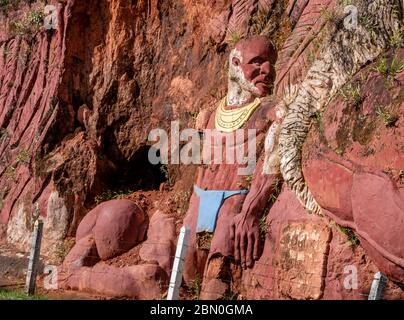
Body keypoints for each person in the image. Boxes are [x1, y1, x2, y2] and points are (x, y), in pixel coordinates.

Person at [183, 35, 280, 299]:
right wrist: (192, 211)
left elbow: (273, 165)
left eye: (271, 63)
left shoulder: (271, 113)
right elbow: (202, 170)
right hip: (200, 202)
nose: (268, 70)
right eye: (257, 62)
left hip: (235, 203)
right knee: (184, 270)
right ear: (236, 64)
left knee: (217, 281)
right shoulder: (208, 116)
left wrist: (251, 210)